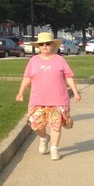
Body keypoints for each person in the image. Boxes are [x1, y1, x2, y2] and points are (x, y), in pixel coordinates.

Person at [16, 32, 81, 161]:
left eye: (47, 43)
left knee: (55, 125)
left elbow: (68, 77)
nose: (45, 46)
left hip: (58, 99)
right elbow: (27, 78)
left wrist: (75, 91)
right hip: (38, 99)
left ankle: (54, 149)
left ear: (52, 45)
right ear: (39, 46)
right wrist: (20, 92)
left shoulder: (59, 60)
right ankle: (44, 137)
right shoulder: (33, 61)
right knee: (36, 124)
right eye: (42, 44)